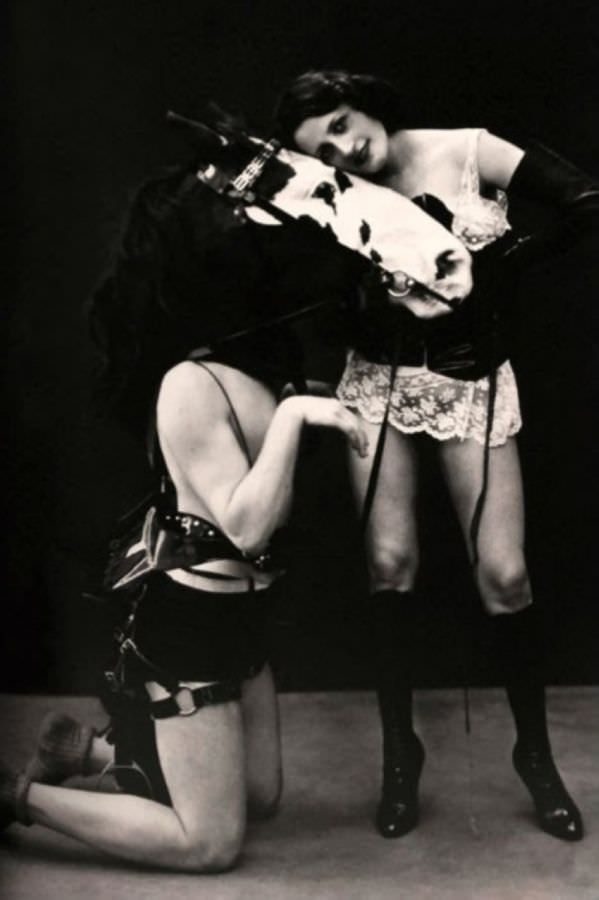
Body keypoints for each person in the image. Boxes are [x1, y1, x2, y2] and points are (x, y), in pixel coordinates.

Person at [0, 160, 369, 870]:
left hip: (246, 620)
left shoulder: (262, 367)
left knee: (260, 798)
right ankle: (22, 797)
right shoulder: (189, 386)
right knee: (209, 843)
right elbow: (247, 527)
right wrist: (295, 416)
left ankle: (84, 751)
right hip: (190, 631)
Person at [274, 69, 597, 841]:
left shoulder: (467, 150)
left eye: (343, 124)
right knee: (388, 564)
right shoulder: (328, 192)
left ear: (362, 104)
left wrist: (503, 264)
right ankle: (400, 756)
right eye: (326, 149)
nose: (346, 149)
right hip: (377, 380)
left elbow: (585, 200)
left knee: (504, 576)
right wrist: (359, 289)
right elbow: (310, 292)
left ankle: (533, 756)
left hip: (470, 378)